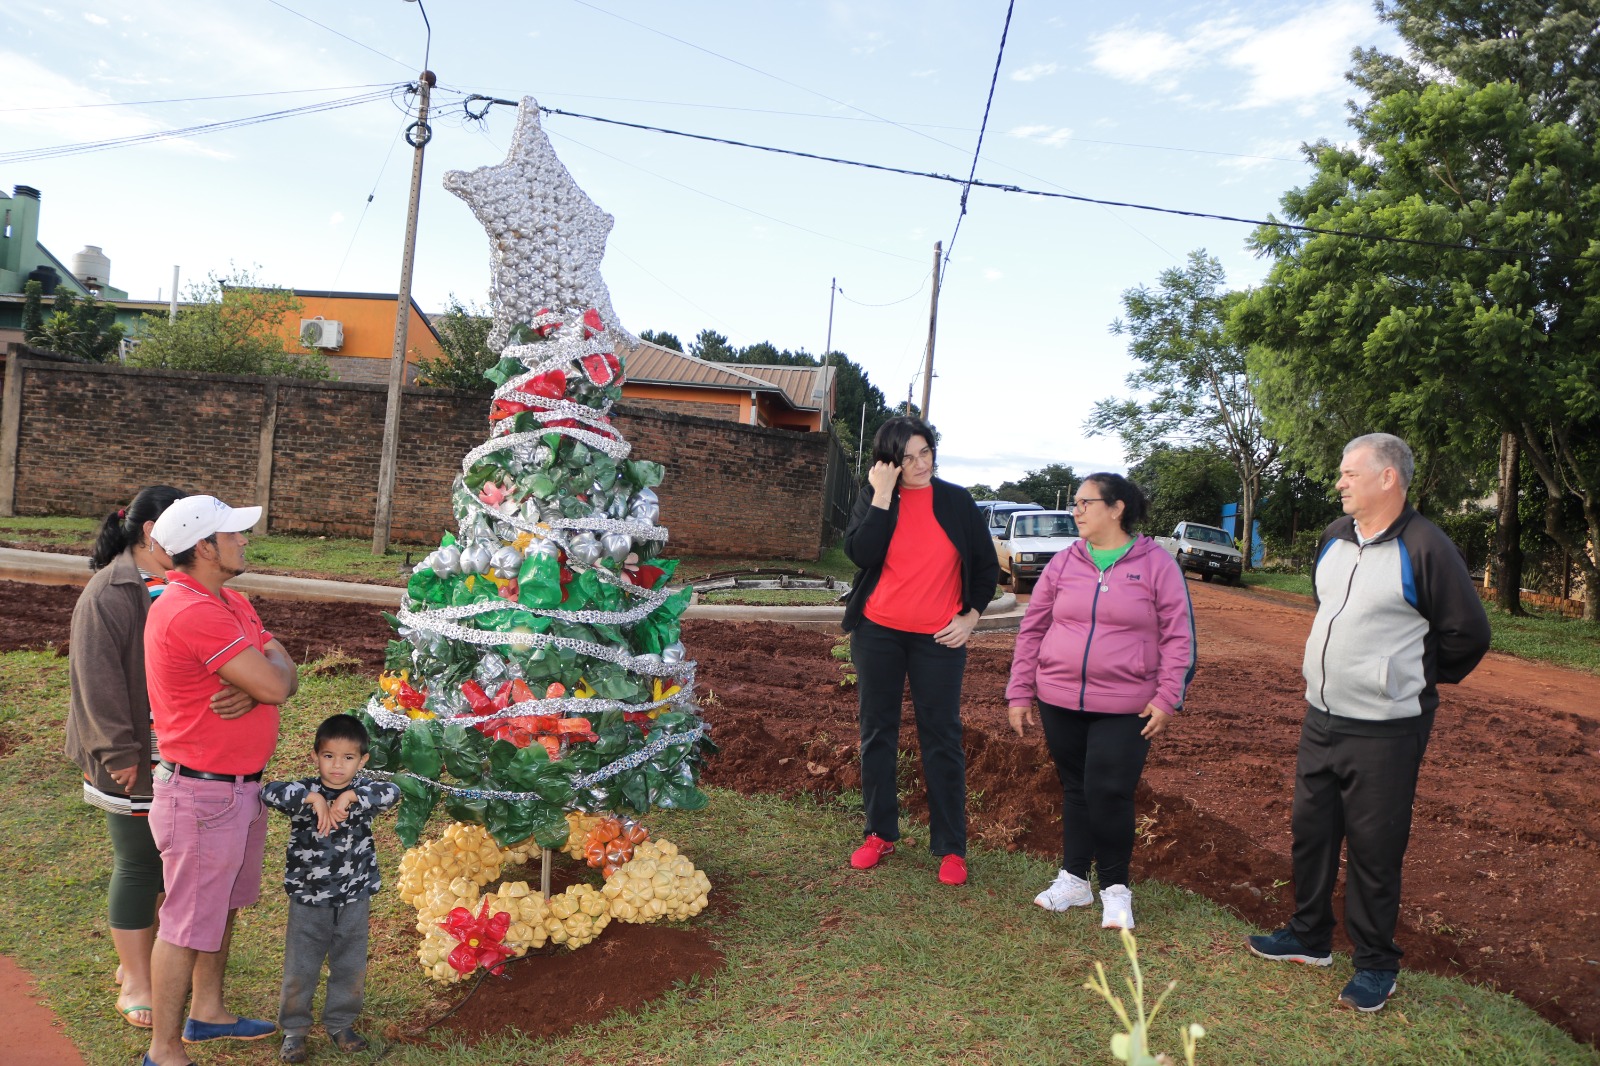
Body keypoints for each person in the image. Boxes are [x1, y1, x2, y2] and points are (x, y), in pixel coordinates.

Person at [1246, 433, 1490, 1013]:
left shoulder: (1428, 547)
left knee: (1376, 850)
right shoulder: (1333, 538)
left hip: (1387, 728)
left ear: (1388, 478)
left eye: (1350, 473)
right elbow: (1330, 608)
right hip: (1322, 716)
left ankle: (1376, 963)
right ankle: (1309, 937)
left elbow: (1469, 635)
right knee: (1311, 831)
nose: (1339, 483)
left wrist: (1406, 679)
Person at [65, 487, 246, 1029]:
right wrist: (120, 754)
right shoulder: (110, 591)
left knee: (173, 866)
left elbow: (219, 653)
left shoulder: (186, 586)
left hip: (182, 750)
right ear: (152, 532)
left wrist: (244, 689)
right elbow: (94, 682)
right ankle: (138, 980)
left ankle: (148, 965)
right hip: (130, 756)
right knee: (140, 865)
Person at [142, 495, 300, 1066]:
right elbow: (278, 684)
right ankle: (163, 1051)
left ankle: (206, 1011)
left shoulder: (229, 600)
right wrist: (266, 675)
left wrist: (266, 669)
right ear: (204, 547)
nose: (244, 541)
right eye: (233, 535)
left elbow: (282, 671)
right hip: (204, 795)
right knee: (185, 923)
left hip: (236, 790)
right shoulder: (194, 611)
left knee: (220, 907)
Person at [1005, 473, 1195, 930]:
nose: (1077, 511)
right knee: (1076, 789)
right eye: (1076, 503)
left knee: (1108, 791)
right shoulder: (1064, 562)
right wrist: (1020, 689)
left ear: (1117, 508)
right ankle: (1074, 880)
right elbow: (1033, 627)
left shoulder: (1156, 564)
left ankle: (1115, 888)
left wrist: (1168, 697)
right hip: (1059, 697)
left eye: (1085, 502)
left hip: (1127, 703)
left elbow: (1179, 635)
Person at [840, 416, 999, 887]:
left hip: (939, 639)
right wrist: (884, 496)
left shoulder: (956, 501)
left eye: (925, 452)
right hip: (878, 633)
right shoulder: (875, 497)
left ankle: (951, 847)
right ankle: (879, 833)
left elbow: (986, 567)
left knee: (942, 738)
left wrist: (970, 618)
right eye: (907, 457)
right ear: (889, 461)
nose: (919, 464)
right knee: (877, 734)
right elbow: (862, 554)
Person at [261, 714, 401, 1063]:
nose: (337, 765)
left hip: (354, 897)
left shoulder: (364, 794)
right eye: (328, 756)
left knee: (349, 965)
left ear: (362, 760)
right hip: (309, 899)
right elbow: (267, 790)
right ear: (315, 756)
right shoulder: (304, 793)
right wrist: (314, 800)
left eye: (348, 758)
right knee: (301, 966)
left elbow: (394, 790)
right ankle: (294, 1030)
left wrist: (350, 796)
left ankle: (341, 1023)